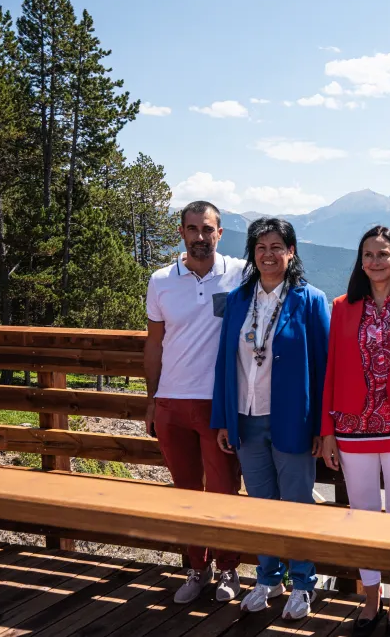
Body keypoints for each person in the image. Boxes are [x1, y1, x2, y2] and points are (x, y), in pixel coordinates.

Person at [211, 217, 330, 620]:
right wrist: (224, 418)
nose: (268, 254)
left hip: (293, 419)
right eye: (260, 247)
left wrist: (321, 427)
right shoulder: (239, 298)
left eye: (277, 246)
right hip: (246, 418)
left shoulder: (310, 299)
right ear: (252, 253)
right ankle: (268, 577)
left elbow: (325, 366)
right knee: (261, 504)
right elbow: (225, 363)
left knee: (295, 504)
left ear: (291, 251)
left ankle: (303, 583)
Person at [320, 226, 390, 637]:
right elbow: (331, 370)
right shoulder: (343, 306)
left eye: (382, 253)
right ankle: (371, 599)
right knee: (361, 517)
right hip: (352, 428)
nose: (374, 261)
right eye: (367, 254)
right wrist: (328, 431)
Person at [144, 200, 245, 604]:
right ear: (182, 233)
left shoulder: (239, 272)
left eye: (208, 229)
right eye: (193, 229)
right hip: (171, 401)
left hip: (217, 403)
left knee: (223, 490)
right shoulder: (161, 280)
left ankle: (229, 569)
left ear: (220, 233)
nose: (200, 237)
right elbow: (154, 344)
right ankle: (196, 568)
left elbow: (284, 262)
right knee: (185, 490)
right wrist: (152, 399)